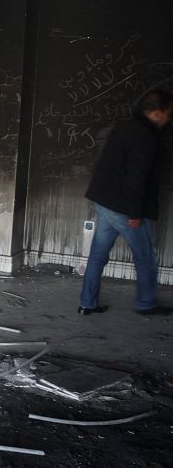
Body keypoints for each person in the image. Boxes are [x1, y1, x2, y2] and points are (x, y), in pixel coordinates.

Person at [79, 89, 173, 316]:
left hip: (104, 202)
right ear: (157, 113)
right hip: (124, 209)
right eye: (168, 113)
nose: (169, 118)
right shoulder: (147, 137)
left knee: (97, 255)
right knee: (146, 258)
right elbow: (136, 178)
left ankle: (87, 303)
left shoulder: (124, 126)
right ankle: (146, 304)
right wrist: (135, 213)